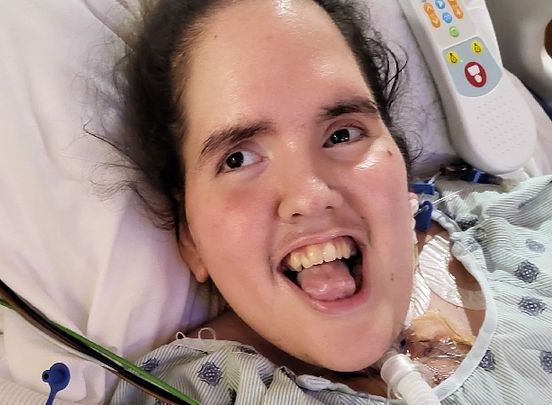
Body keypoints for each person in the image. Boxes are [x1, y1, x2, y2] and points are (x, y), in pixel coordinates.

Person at [108, 0, 552, 403]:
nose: (311, 196)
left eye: (342, 135)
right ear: (190, 238)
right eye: (238, 158)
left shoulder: (520, 226)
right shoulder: (200, 392)